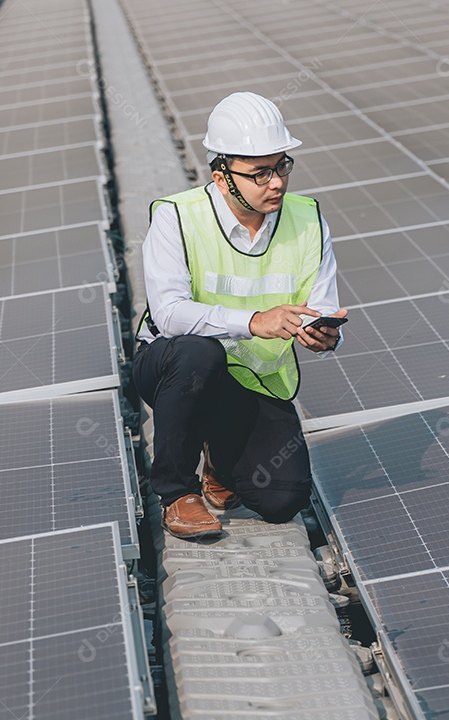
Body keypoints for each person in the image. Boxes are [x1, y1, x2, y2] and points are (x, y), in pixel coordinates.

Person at [133, 91, 346, 539]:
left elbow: (322, 302)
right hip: (175, 369)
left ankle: (219, 456)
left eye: (282, 166)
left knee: (280, 499)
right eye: (260, 173)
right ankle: (176, 493)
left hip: (251, 379)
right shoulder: (177, 218)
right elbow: (169, 314)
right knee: (197, 354)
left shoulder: (308, 220)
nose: (277, 183)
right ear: (222, 176)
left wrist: (323, 334)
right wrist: (254, 321)